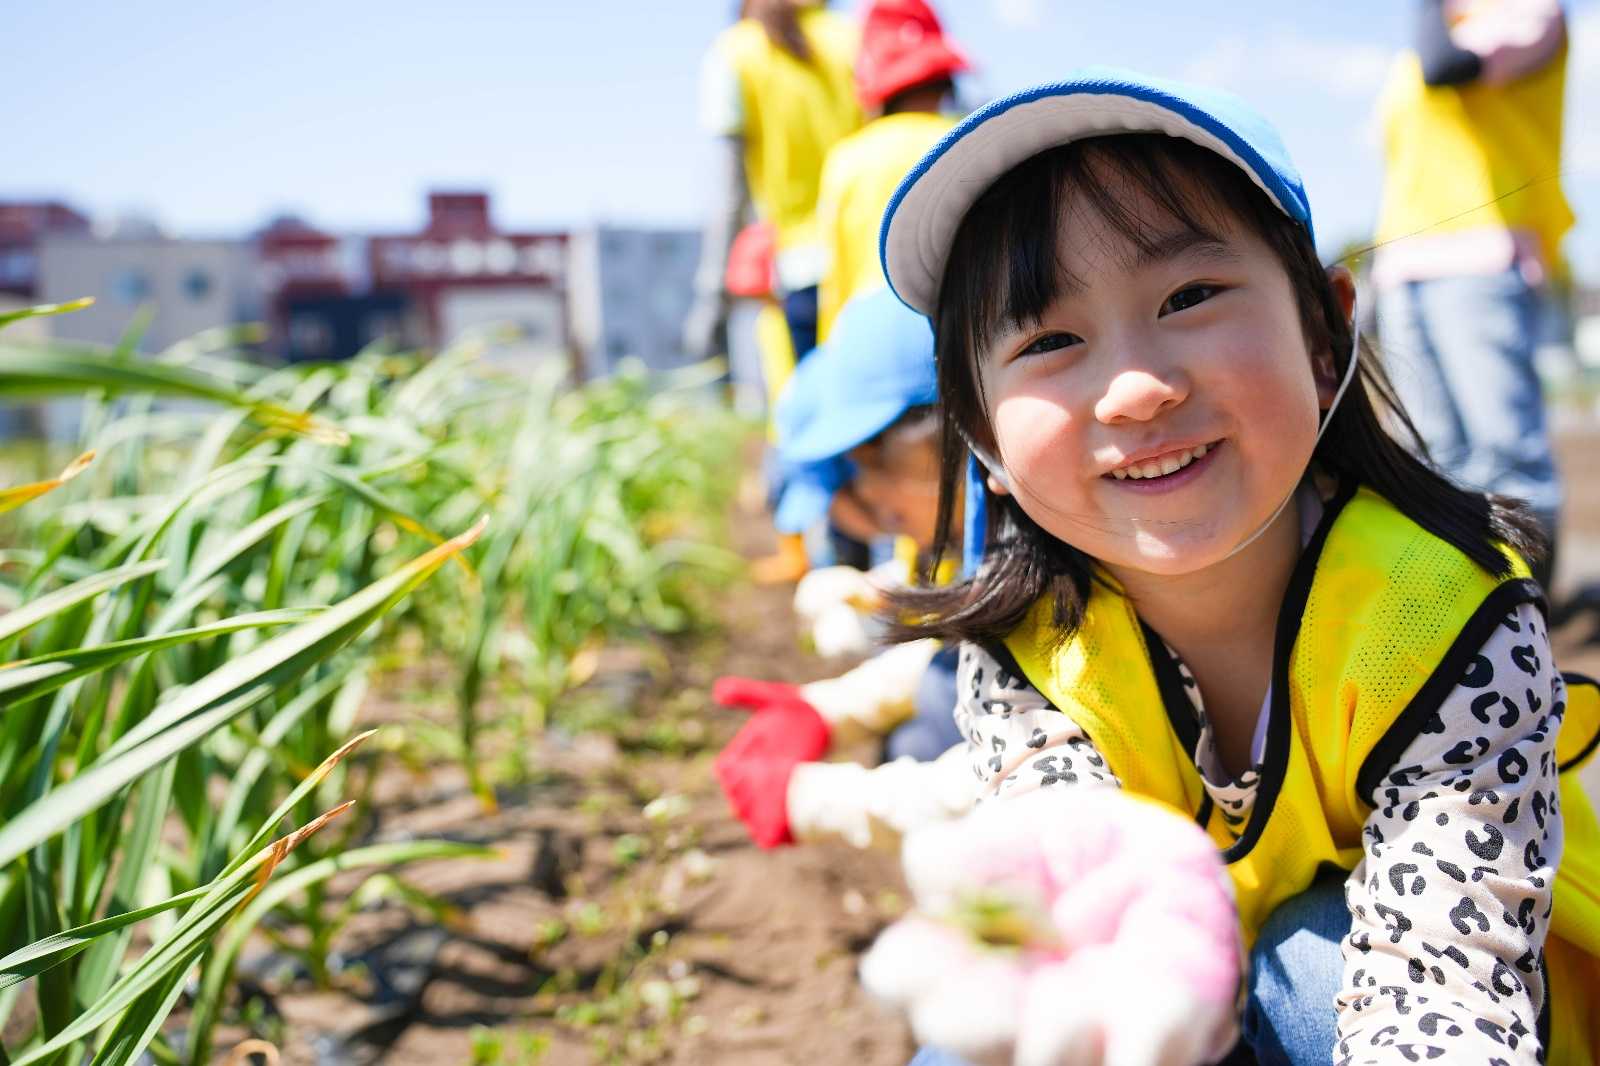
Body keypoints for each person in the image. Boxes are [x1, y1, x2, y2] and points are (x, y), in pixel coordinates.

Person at [874, 68, 1600, 1063]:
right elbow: (1077, 906)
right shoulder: (1032, 648)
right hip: (1196, 1003)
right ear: (983, 439)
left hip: (1445, 1003)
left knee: (1311, 966)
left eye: (1190, 295)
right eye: (1050, 339)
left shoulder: (1446, 620)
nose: (1132, 389)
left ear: (1324, 326)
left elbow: (1445, 990)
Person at [714, 288, 971, 850]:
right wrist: (830, 708)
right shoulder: (989, 543)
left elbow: (1037, 770)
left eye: (872, 462)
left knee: (923, 736)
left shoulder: (1071, 554)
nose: (869, 499)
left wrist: (824, 801)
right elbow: (971, 659)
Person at [1374, 0, 1572, 590]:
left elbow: (1446, 67)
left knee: (1504, 449)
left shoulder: (1530, 15)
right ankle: (1465, 593)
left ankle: (1533, 601)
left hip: (1482, 253)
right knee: (1431, 452)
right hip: (1405, 263)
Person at [687, 0, 864, 583]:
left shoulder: (737, 51)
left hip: (799, 271)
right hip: (866, 258)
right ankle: (877, 567)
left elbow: (729, 189)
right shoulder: (850, 36)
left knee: (812, 415)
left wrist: (711, 291)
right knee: (875, 413)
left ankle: (838, 570)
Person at [813, 0, 968, 342]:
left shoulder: (847, 159)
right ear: (945, 79)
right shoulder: (966, 142)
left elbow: (836, 283)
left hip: (868, 339)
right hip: (951, 331)